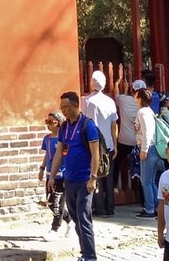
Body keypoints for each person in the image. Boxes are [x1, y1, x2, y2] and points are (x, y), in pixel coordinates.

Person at [47, 91, 100, 261]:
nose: (63, 111)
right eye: (61, 107)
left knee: (84, 218)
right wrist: (52, 176)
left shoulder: (87, 126)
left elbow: (95, 154)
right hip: (69, 179)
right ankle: (84, 252)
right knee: (76, 218)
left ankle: (90, 256)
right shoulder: (64, 127)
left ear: (76, 106)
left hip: (85, 180)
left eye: (66, 107)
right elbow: (58, 153)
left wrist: (93, 178)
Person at [84, 70, 118, 217]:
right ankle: (110, 207)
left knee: (95, 174)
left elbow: (84, 122)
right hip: (108, 143)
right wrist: (115, 144)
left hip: (93, 143)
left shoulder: (86, 101)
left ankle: (99, 208)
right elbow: (113, 125)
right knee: (108, 175)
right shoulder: (110, 101)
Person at [38, 111, 72, 240]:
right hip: (49, 175)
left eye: (51, 122)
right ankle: (69, 219)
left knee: (58, 203)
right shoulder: (47, 139)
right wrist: (42, 168)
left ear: (59, 123)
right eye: (46, 121)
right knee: (51, 203)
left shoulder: (63, 140)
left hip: (60, 175)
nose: (48, 124)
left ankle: (54, 229)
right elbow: (47, 155)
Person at [133, 86, 159, 218]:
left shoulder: (142, 112)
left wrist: (144, 149)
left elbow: (147, 131)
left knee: (146, 181)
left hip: (148, 148)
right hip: (153, 147)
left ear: (140, 98)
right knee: (151, 181)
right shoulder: (149, 111)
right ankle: (156, 206)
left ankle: (149, 209)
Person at [113, 79, 141, 198]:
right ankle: (139, 192)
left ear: (132, 90)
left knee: (116, 161)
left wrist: (116, 84)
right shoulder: (144, 104)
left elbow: (116, 96)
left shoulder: (125, 100)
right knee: (140, 167)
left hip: (125, 140)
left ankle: (114, 185)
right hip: (139, 142)